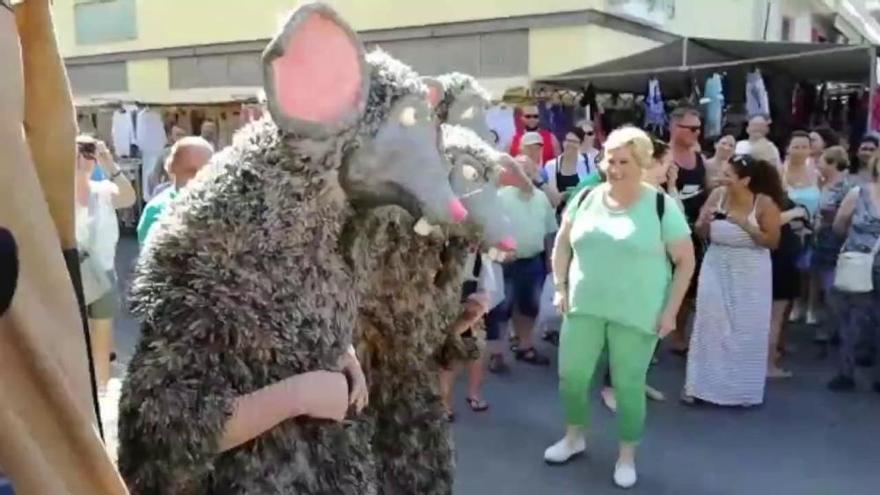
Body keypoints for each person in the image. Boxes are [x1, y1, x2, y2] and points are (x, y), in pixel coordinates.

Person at [544, 127, 694, 489]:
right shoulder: (586, 198)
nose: (616, 168)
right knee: (572, 378)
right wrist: (561, 288)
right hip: (583, 306)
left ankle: (626, 456)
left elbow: (685, 261)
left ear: (642, 162)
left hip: (637, 311)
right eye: (610, 160)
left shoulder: (661, 205)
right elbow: (562, 245)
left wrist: (671, 311)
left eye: (624, 161)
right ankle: (573, 437)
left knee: (628, 386)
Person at [683, 155, 783, 406]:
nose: (722, 178)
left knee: (745, 327)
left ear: (745, 180)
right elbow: (700, 231)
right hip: (717, 264)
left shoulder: (764, 204)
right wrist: (703, 223)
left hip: (751, 271)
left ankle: (740, 391)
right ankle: (700, 386)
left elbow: (772, 242)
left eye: (729, 175)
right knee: (710, 323)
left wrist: (744, 225)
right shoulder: (717, 196)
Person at [74, 135, 136, 391]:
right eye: (81, 152)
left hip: (103, 274)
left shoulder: (103, 190)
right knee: (75, 338)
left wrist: (108, 162)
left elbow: (129, 198)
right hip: (72, 273)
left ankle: (100, 389)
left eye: (90, 152)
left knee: (102, 339)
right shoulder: (56, 191)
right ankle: (80, 390)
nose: (86, 158)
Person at [486, 155, 557, 368]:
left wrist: (550, 261)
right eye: (519, 169)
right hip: (503, 262)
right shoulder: (498, 197)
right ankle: (496, 354)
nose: (524, 173)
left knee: (529, 307)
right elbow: (487, 231)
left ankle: (525, 347)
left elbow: (549, 231)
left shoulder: (541, 198)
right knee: (500, 309)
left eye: (528, 169)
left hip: (533, 261)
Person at [827, 155, 880, 393]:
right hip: (858, 262)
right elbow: (839, 224)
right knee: (852, 319)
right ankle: (845, 372)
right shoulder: (858, 193)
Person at [668, 106, 710, 356]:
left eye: (698, 128)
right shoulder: (662, 156)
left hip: (692, 232)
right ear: (675, 127)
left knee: (687, 285)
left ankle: (678, 335)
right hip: (665, 231)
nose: (697, 133)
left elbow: (705, 188)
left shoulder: (698, 157)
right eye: (692, 128)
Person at [137, 136, 214, 247]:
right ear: (172, 168)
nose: (201, 177)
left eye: (208, 170)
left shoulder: (223, 206)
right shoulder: (157, 210)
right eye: (191, 171)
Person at [812, 147, 853, 344]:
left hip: (834, 243)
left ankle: (837, 329)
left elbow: (842, 216)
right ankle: (833, 326)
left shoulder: (845, 187)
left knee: (833, 288)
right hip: (821, 242)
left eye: (822, 161)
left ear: (832, 163)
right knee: (825, 286)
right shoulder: (822, 183)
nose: (818, 164)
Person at [540, 128, 592, 207]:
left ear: (580, 144)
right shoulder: (551, 165)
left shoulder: (588, 162)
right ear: (563, 142)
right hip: (560, 211)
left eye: (574, 142)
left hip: (582, 210)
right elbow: (550, 194)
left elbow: (593, 187)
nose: (570, 144)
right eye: (568, 140)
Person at [146, 124, 187, 198]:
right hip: (169, 190)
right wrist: (159, 189)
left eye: (183, 135)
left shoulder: (193, 153)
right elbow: (155, 175)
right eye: (178, 135)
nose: (181, 138)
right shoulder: (165, 153)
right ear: (171, 137)